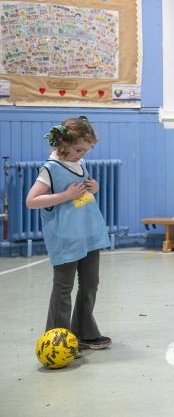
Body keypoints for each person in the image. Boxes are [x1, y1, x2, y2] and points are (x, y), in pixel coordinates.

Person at [26, 116, 112, 353]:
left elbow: (81, 190)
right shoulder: (50, 169)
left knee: (90, 283)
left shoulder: (79, 162)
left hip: (88, 233)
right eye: (78, 149)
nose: (81, 154)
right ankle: (58, 338)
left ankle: (83, 331)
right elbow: (32, 201)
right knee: (63, 288)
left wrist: (94, 188)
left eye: (86, 150)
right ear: (63, 145)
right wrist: (66, 195)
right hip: (65, 238)